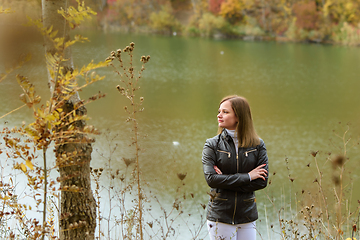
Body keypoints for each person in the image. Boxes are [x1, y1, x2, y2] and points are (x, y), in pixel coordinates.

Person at [202, 95, 269, 240]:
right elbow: (212, 180)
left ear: (239, 116)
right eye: (219, 111)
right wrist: (248, 177)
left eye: (225, 112)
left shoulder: (257, 145)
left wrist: (224, 181)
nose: (219, 115)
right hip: (220, 216)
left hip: (247, 216)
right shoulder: (212, 145)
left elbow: (262, 181)